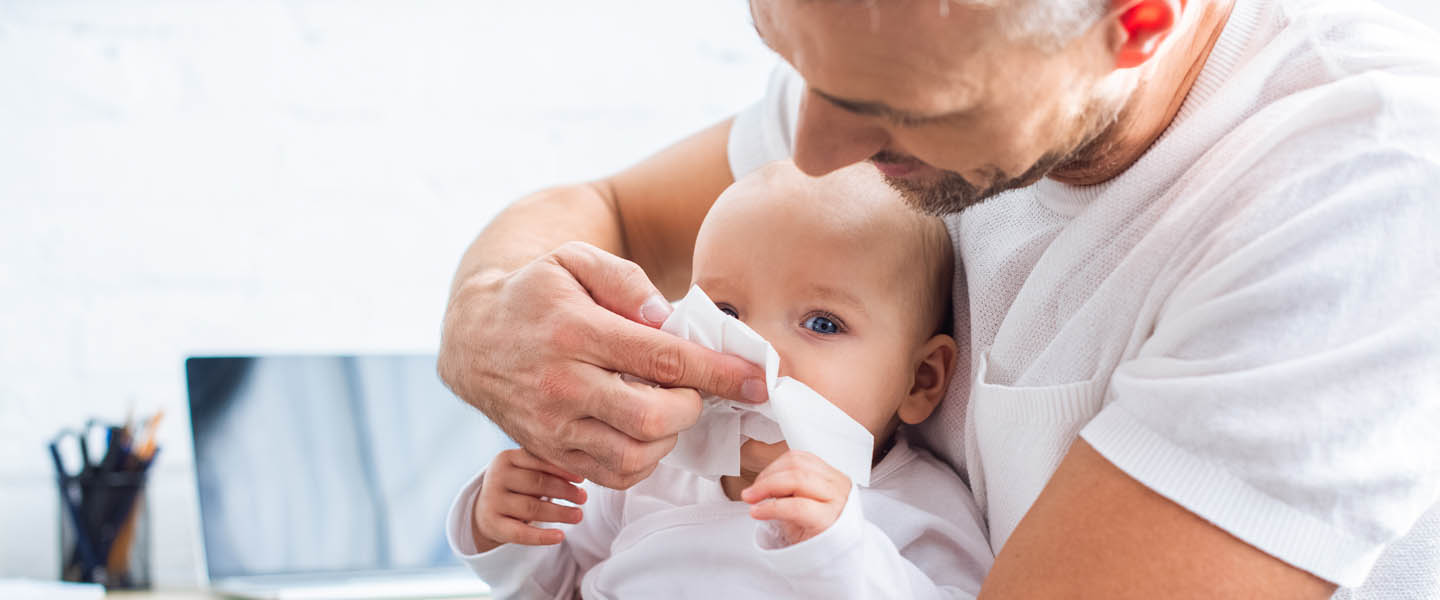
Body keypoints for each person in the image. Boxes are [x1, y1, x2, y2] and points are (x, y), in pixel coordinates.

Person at [437, 0, 1440, 596]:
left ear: (1137, 23)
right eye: (790, 56)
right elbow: (606, 210)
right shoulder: (899, 38)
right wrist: (485, 315)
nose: (820, 153)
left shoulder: (1361, 189)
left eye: (898, 115)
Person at [445, 161, 993, 598]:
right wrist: (506, 532)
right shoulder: (649, 468)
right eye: (725, 314)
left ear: (920, 379)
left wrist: (838, 552)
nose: (754, 351)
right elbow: (557, 588)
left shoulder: (916, 506)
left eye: (822, 323)